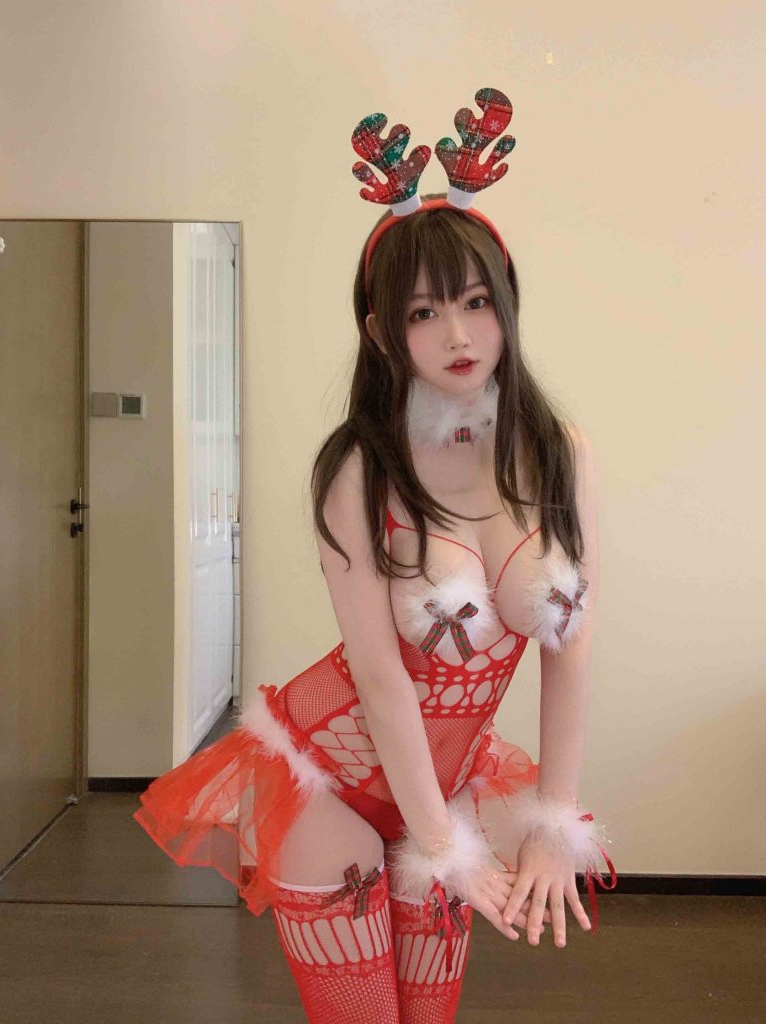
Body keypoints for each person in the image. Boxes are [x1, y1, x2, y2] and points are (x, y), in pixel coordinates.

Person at [133, 87, 616, 1023]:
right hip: (328, 779)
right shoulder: (359, 470)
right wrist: (440, 847)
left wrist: (554, 822)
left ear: (508, 303)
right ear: (381, 330)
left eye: (476, 302)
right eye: (425, 313)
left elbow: (572, 647)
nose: (459, 335)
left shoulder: (563, 454)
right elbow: (381, 676)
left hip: (451, 778)